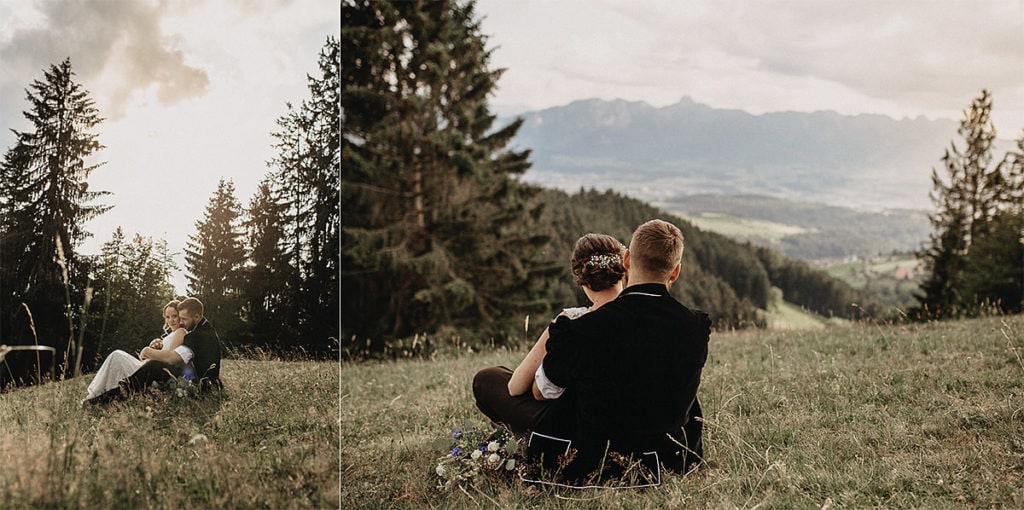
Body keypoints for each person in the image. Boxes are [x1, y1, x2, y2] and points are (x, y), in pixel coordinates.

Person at [479, 219, 711, 483]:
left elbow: (542, 391)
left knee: (487, 380)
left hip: (593, 453)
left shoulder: (581, 328)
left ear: (626, 260)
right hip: (665, 453)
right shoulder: (696, 326)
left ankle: (512, 441)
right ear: (675, 271)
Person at [473, 233, 627, 436]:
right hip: (629, 422)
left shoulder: (570, 322)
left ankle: (520, 435)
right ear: (623, 272)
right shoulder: (646, 317)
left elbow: (516, 387)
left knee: (489, 378)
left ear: (581, 280)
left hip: (571, 427)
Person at [88, 297, 222, 404]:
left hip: (201, 385)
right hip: (197, 379)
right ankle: (117, 392)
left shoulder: (197, 335)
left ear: (197, 317)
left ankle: (117, 393)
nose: (181, 322)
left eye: (184, 319)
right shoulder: (204, 330)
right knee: (154, 365)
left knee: (156, 364)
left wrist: (148, 351)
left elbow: (172, 358)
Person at [83, 300, 186, 402]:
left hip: (157, 372)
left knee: (117, 356)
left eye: (174, 316)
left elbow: (170, 356)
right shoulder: (170, 335)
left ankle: (102, 395)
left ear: (180, 316)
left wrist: (149, 351)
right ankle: (101, 393)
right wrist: (156, 346)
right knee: (116, 356)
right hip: (148, 367)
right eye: (168, 317)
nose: (171, 320)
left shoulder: (180, 332)